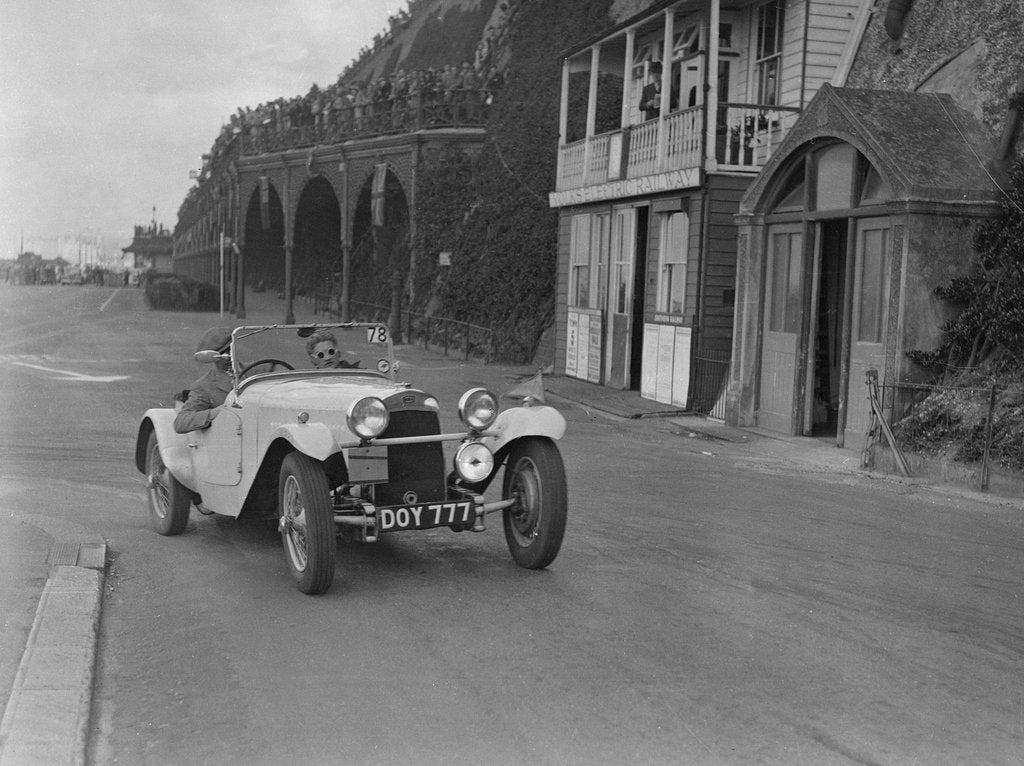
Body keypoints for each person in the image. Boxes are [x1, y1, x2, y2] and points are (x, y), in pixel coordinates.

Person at [173, 327, 234, 434]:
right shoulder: (204, 386)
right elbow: (181, 422)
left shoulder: (260, 370)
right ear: (210, 357)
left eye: (232, 349)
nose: (229, 356)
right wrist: (215, 413)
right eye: (222, 353)